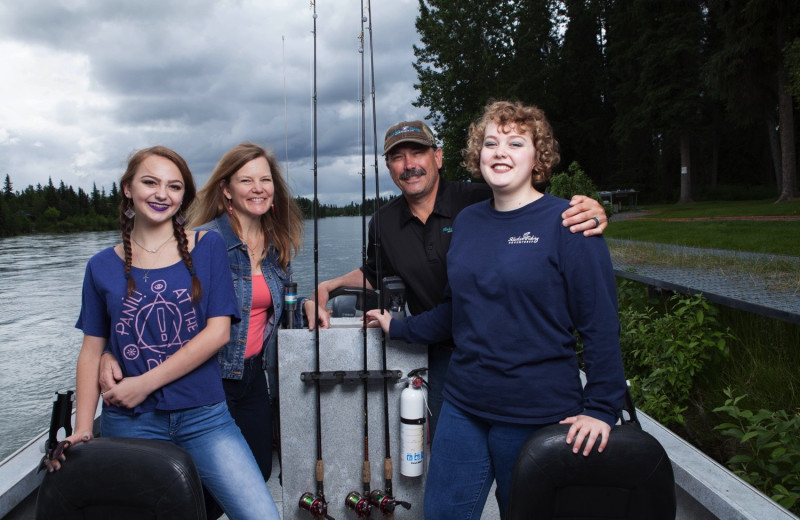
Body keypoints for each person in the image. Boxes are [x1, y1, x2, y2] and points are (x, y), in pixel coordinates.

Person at [365, 100, 627, 518]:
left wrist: (601, 408)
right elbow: (455, 310)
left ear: (538, 157)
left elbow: (599, 323)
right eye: (491, 143)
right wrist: (398, 328)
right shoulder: (468, 222)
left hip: (537, 411)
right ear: (477, 154)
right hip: (464, 405)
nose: (500, 152)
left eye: (516, 142)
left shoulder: (569, 223)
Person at [310, 118, 608, 439]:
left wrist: (592, 209)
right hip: (441, 353)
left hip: (506, 356)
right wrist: (326, 287)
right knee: (444, 445)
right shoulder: (382, 222)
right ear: (388, 166)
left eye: (418, 153)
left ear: (438, 157)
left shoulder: (480, 199)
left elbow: (537, 209)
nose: (409, 165)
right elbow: (375, 272)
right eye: (398, 157)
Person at [47, 146, 281, 520]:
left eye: (174, 186)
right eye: (150, 182)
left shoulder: (208, 247)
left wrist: (144, 384)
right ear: (127, 188)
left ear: (184, 196)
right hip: (130, 423)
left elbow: (219, 333)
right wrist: (84, 428)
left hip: (205, 418)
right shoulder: (100, 267)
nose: (162, 194)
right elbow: (92, 350)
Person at [100, 142, 313, 485]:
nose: (258, 188)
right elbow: (148, 303)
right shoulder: (203, 242)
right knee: (202, 485)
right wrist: (109, 350)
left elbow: (266, 298)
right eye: (246, 180)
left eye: (265, 179)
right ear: (226, 189)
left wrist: (306, 302)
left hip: (253, 377)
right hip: (208, 379)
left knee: (259, 471)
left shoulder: (276, 243)